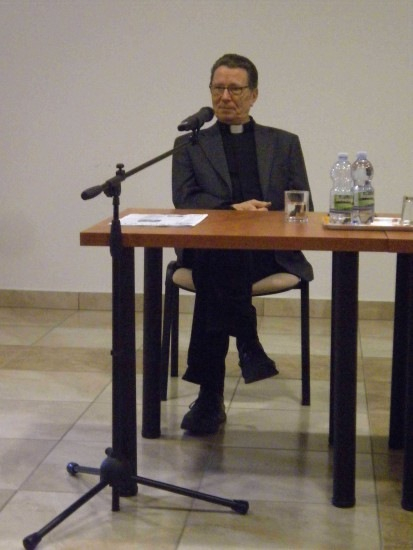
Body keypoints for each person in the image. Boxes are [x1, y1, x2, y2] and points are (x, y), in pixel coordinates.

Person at [172, 53, 314, 435]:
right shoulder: (189, 145)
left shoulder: (283, 143)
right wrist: (230, 210)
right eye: (218, 88)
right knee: (220, 259)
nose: (225, 97)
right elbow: (184, 200)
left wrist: (263, 215)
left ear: (254, 95)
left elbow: (302, 205)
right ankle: (248, 342)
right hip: (209, 251)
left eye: (235, 89)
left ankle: (209, 397)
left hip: (266, 253)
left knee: (218, 270)